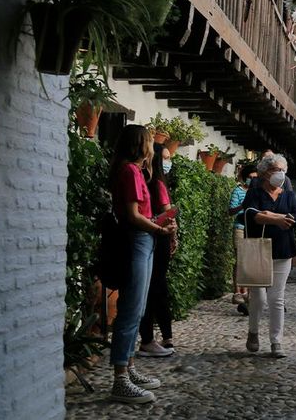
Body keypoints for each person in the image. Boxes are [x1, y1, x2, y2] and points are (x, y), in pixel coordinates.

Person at [108, 125, 177, 403]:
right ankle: (120, 378)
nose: (154, 148)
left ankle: (130, 367)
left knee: (136, 308)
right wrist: (160, 230)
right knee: (130, 309)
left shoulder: (135, 171)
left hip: (143, 239)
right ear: (141, 145)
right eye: (150, 142)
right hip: (139, 239)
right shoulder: (130, 172)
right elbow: (134, 215)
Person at [241, 154, 296, 358]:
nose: (281, 174)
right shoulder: (255, 192)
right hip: (258, 249)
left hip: (282, 250)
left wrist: (269, 215)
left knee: (277, 298)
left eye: (283, 170)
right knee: (258, 297)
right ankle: (253, 331)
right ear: (266, 172)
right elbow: (250, 214)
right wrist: (276, 219)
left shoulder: (289, 195)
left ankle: (276, 341)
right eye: (277, 169)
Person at [137, 143, 176, 358]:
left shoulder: (146, 180)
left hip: (151, 237)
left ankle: (155, 337)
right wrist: (171, 233)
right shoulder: (158, 183)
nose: (169, 161)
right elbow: (167, 213)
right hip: (157, 237)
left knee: (154, 288)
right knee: (157, 289)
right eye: (167, 157)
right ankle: (154, 338)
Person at [228, 165, 258, 315]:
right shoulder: (238, 191)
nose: (252, 180)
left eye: (255, 178)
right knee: (240, 260)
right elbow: (230, 210)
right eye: (250, 177)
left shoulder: (258, 193)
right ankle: (238, 292)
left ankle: (248, 293)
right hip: (240, 228)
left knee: (251, 262)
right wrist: (243, 205)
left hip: (254, 229)